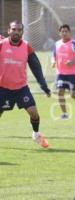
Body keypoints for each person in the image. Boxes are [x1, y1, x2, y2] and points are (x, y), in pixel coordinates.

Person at [0, 20, 51, 148]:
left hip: (21, 88)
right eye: (14, 29)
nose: (16, 32)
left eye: (19, 30)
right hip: (2, 89)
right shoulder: (2, 45)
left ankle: (36, 134)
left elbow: (36, 67)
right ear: (8, 31)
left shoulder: (27, 47)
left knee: (34, 113)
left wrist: (43, 85)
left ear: (22, 32)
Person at [52, 24, 75, 119]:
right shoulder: (57, 44)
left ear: (69, 33)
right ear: (59, 33)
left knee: (72, 94)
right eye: (62, 31)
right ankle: (65, 114)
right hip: (60, 73)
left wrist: (72, 62)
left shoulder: (74, 44)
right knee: (60, 92)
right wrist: (53, 62)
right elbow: (53, 55)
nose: (64, 33)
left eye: (66, 31)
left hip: (72, 74)